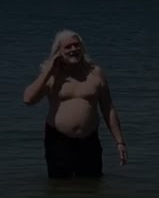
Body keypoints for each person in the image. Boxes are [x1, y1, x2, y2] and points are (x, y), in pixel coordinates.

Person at [23, 30, 128, 178]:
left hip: (89, 139)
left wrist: (119, 142)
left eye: (76, 45)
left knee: (92, 186)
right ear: (58, 52)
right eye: (68, 47)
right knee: (59, 189)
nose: (73, 49)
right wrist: (48, 72)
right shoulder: (51, 76)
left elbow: (108, 108)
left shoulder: (95, 73)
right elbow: (28, 99)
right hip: (58, 140)